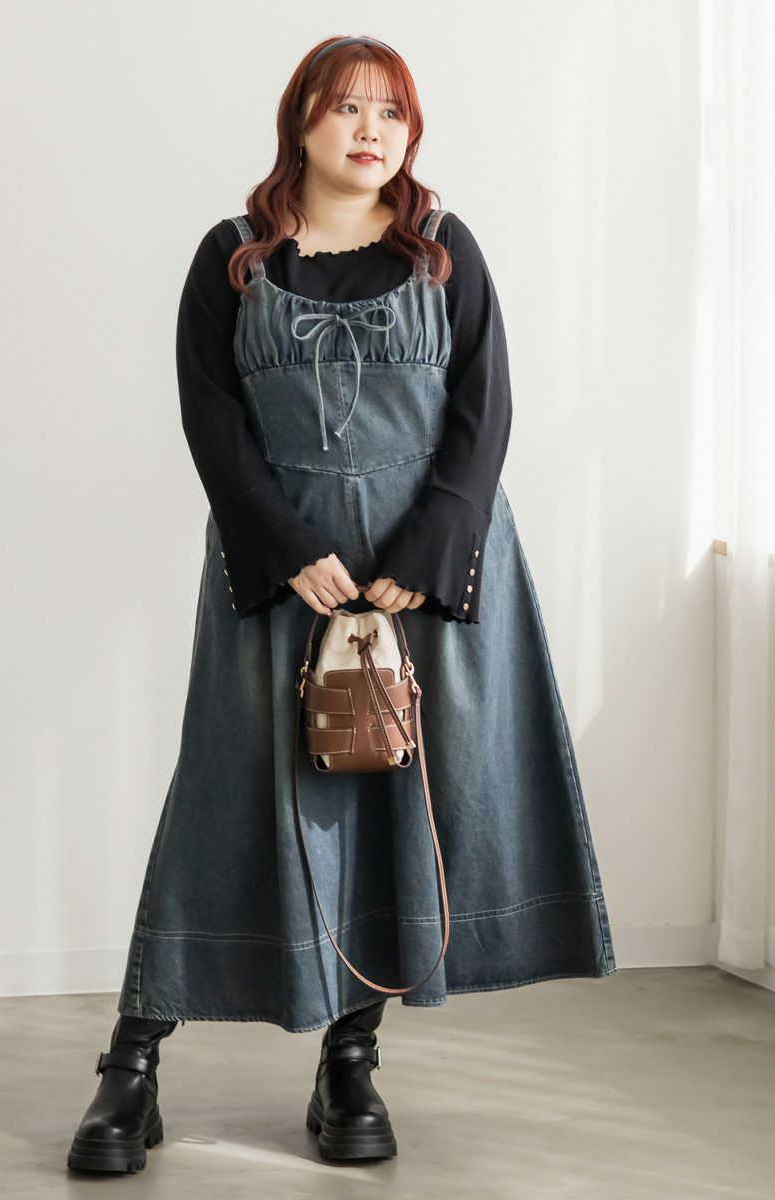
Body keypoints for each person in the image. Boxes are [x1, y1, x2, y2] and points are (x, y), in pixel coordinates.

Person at [67, 33, 617, 1174]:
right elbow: (211, 420)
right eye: (347, 107)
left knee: (394, 803)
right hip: (281, 577)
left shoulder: (445, 250)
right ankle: (131, 1066)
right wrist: (286, 547)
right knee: (226, 793)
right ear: (301, 122)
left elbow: (484, 414)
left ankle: (350, 1064)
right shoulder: (231, 255)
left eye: (392, 113)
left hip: (425, 577)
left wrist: (429, 548)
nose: (372, 131)